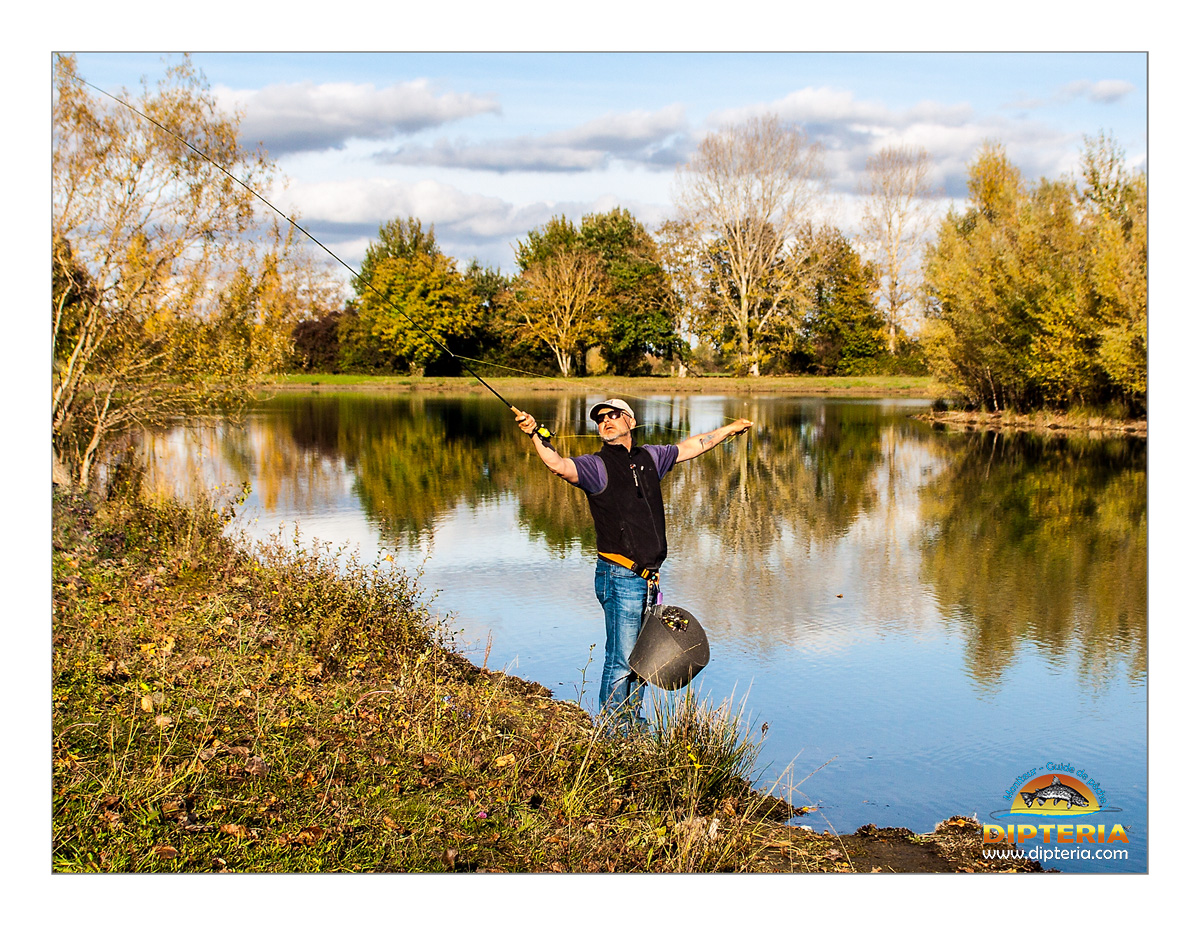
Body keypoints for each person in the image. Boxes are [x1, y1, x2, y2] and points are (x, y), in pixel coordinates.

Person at [514, 398, 753, 728]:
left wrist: (728, 429)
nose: (606, 422)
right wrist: (535, 436)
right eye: (600, 419)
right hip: (619, 575)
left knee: (642, 660)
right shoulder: (596, 466)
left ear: (631, 421)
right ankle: (613, 733)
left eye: (613, 416)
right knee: (621, 659)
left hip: (648, 579)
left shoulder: (651, 457)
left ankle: (632, 728)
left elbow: (692, 446)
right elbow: (559, 465)